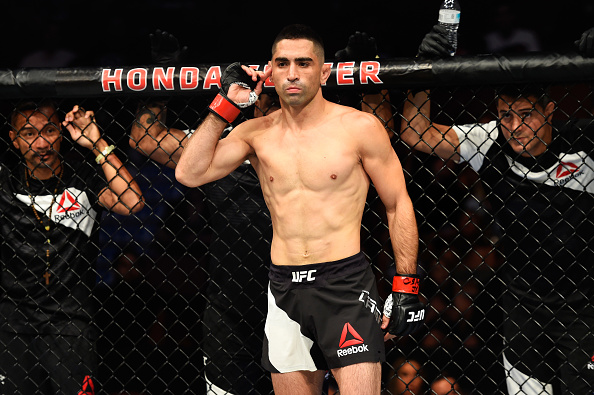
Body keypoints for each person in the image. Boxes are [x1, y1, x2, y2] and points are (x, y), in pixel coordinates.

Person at [174, 24, 424, 395]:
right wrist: (226, 104)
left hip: (344, 284)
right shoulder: (254, 133)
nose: (292, 73)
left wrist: (406, 282)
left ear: (323, 71)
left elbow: (397, 202)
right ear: (270, 71)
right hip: (284, 287)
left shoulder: (359, 127)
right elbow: (189, 173)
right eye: (283, 63)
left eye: (304, 63)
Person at [401, 24, 594, 394]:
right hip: (523, 306)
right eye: (506, 115)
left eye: (526, 114)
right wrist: (422, 71)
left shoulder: (585, 141)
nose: (516, 127)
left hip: (585, 304)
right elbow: (415, 132)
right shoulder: (488, 139)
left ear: (550, 111)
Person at [130, 30, 276, 395]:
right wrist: (160, 75)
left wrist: (373, 81)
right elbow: (145, 139)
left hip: (300, 297)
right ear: (254, 101)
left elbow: (381, 137)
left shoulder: (321, 143)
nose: (273, 108)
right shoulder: (222, 144)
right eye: (267, 98)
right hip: (230, 302)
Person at [0, 100, 144, 394]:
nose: (41, 143)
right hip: (12, 322)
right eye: (28, 133)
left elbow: (133, 202)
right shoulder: (4, 181)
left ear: (61, 133)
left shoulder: (83, 177)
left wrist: (96, 143)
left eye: (49, 130)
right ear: (14, 139)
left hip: (70, 322)